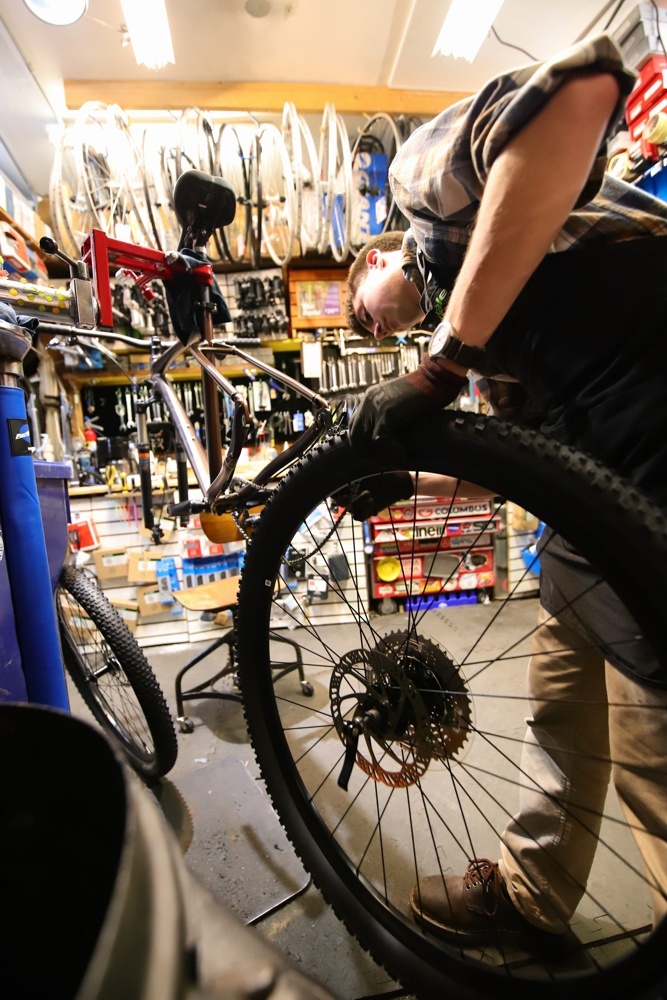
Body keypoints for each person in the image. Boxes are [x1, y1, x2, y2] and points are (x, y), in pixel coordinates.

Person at [345, 32, 667, 946]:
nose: (364, 327)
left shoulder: (427, 189)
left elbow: (587, 82)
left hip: (655, 435)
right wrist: (406, 480)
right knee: (558, 699)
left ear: (380, 254)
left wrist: (440, 366)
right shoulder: (485, 329)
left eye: (353, 304)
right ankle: (530, 899)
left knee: (654, 739)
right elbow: (518, 457)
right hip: (592, 478)